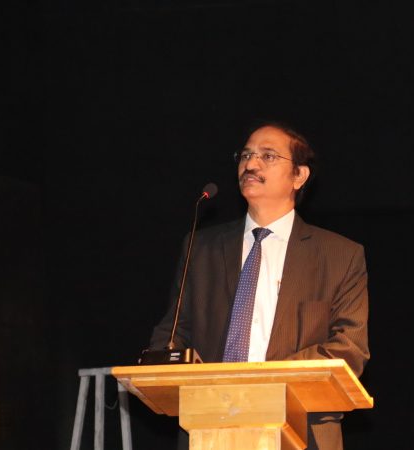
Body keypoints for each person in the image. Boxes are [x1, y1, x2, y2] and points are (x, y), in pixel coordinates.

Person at [148, 120, 370, 450]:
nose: (251, 164)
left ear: (299, 175)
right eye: (245, 155)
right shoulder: (202, 248)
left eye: (268, 156)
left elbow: (348, 349)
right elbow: (173, 333)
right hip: (209, 427)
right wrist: (162, 363)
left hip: (302, 432)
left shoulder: (339, 255)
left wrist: (260, 381)